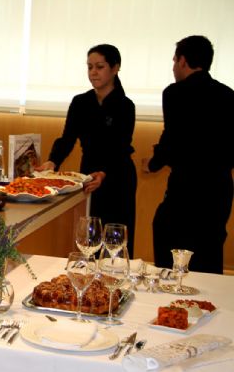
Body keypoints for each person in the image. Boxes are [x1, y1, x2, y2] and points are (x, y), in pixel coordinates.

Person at [144, 35, 234, 274]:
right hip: (219, 188)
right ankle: (208, 305)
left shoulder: (175, 93)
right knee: (209, 250)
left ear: (182, 61)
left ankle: (169, 299)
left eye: (174, 60)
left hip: (187, 187)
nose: (174, 67)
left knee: (169, 245)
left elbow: (171, 138)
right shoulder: (228, 94)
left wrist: (153, 163)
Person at [36, 44, 137, 257]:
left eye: (99, 67)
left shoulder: (125, 105)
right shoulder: (81, 102)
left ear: (115, 68)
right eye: (89, 67)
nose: (93, 72)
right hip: (89, 174)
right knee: (90, 240)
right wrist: (53, 161)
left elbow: (120, 146)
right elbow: (67, 137)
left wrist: (105, 172)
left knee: (115, 243)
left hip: (117, 176)